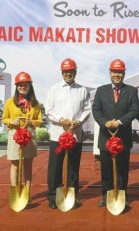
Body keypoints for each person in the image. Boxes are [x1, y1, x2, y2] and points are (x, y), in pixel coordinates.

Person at [92, 59, 139, 207]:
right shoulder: (101, 90)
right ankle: (106, 195)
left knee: (122, 169)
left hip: (123, 136)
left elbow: (134, 110)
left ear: (124, 73)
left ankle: (121, 195)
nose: (117, 74)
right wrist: (105, 122)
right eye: (114, 72)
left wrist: (119, 122)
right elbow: (96, 110)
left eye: (120, 72)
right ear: (110, 73)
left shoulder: (131, 90)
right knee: (106, 168)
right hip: (106, 136)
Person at [45, 58, 91, 209]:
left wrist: (79, 121)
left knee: (73, 167)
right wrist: (61, 119)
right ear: (62, 73)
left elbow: (87, 110)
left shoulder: (83, 90)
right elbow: (49, 110)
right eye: (65, 71)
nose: (68, 73)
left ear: (75, 72)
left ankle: (72, 195)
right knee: (55, 167)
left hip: (75, 134)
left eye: (71, 71)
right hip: (58, 134)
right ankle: (53, 196)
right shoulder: (54, 89)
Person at [2, 71, 42, 202]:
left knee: (28, 164)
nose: (22, 87)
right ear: (16, 86)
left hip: (29, 133)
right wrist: (11, 122)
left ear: (30, 86)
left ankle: (27, 193)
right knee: (14, 165)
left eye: (25, 84)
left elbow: (39, 120)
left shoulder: (35, 103)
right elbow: (4, 118)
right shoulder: (10, 102)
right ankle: (15, 191)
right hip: (15, 134)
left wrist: (33, 122)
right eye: (20, 85)